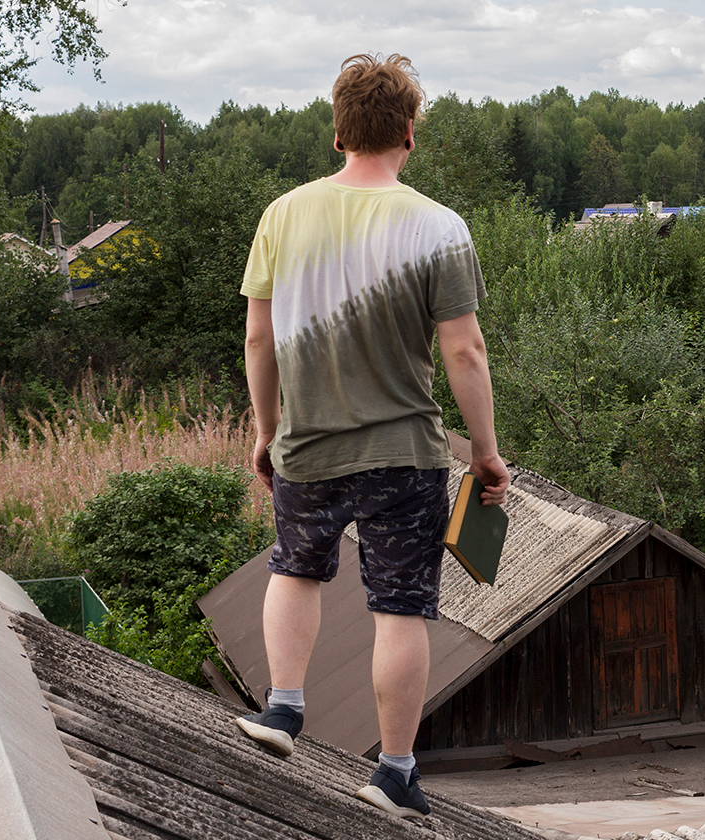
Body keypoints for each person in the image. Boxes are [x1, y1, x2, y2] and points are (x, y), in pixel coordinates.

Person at [234, 52, 509, 819]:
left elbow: (259, 340)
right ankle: (393, 772)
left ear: (338, 133)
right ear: (410, 132)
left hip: (308, 444)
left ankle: (282, 709)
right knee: (401, 606)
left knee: (295, 568)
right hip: (403, 454)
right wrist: (485, 454)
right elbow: (464, 350)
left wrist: (268, 430)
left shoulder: (283, 216)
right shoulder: (438, 227)